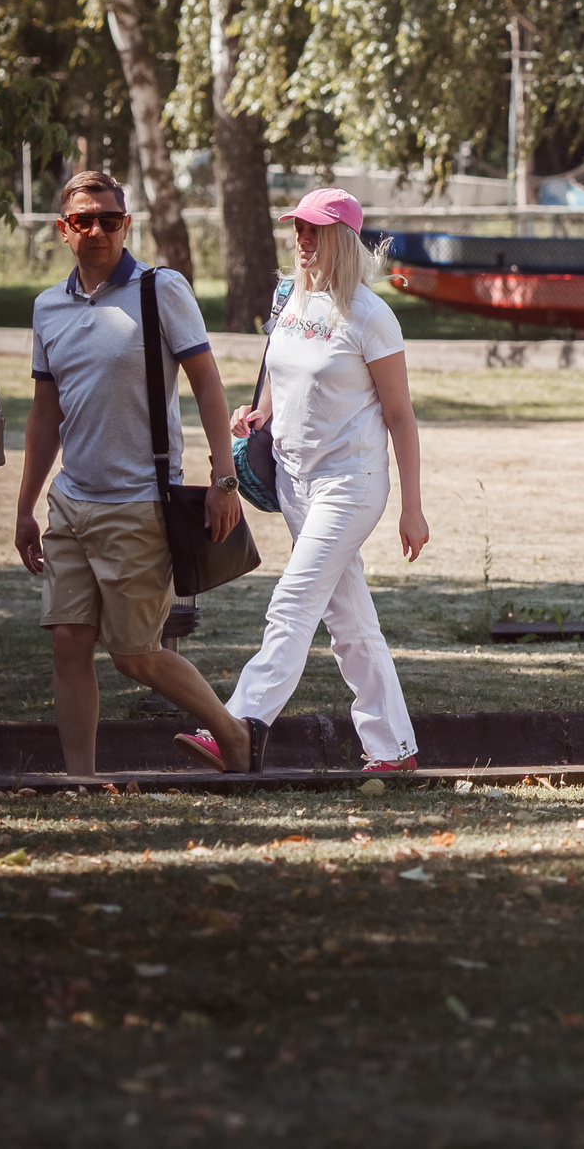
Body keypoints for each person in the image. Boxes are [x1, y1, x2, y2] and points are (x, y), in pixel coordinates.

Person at [179, 190, 425, 775]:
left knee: (291, 603)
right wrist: (256, 413)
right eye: (297, 230)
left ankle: (239, 725)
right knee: (349, 621)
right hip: (295, 484)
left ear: (342, 239)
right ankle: (393, 748)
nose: (302, 241)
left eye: (314, 231)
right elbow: (279, 376)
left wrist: (411, 508)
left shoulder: (370, 315)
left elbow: (400, 417)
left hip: (351, 484)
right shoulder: (290, 301)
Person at [15, 171, 252, 775]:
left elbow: (207, 384)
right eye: (82, 221)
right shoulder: (48, 307)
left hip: (140, 502)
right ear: (63, 231)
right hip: (70, 501)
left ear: (126, 224)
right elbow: (45, 416)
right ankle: (81, 781)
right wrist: (25, 506)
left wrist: (224, 480)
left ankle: (232, 732)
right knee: (67, 641)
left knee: (135, 655)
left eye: (110, 220)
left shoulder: (159, 289)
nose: (97, 230)